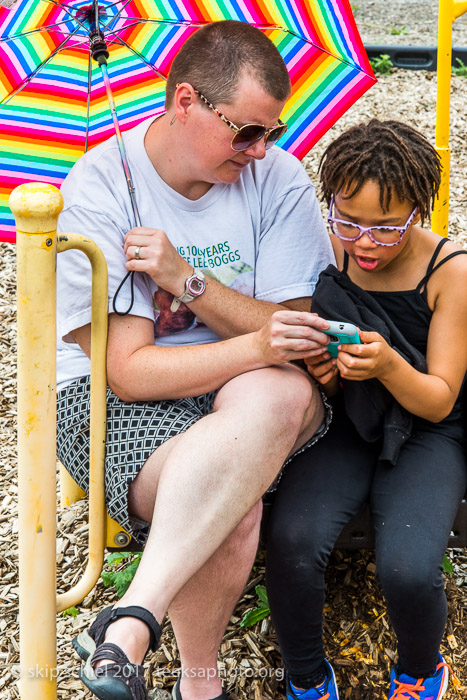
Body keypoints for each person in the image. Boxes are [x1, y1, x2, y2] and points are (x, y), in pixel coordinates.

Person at [56, 19, 335, 700]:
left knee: (284, 395)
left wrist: (187, 281)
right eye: (244, 131)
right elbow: (130, 371)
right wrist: (256, 342)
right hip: (112, 402)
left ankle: (130, 621)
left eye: (269, 132)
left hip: (247, 391)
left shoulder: (277, 179)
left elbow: (297, 331)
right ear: (185, 102)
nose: (260, 149)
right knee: (231, 500)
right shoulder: (102, 189)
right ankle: (198, 685)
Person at [265, 120, 467, 700]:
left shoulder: (449, 272)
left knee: (407, 566)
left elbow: (441, 397)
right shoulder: (330, 248)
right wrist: (324, 376)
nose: (365, 244)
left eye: (387, 228)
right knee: (295, 541)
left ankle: (421, 672)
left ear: (419, 210)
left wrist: (386, 368)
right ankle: (305, 674)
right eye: (348, 221)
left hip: (428, 431)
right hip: (348, 422)